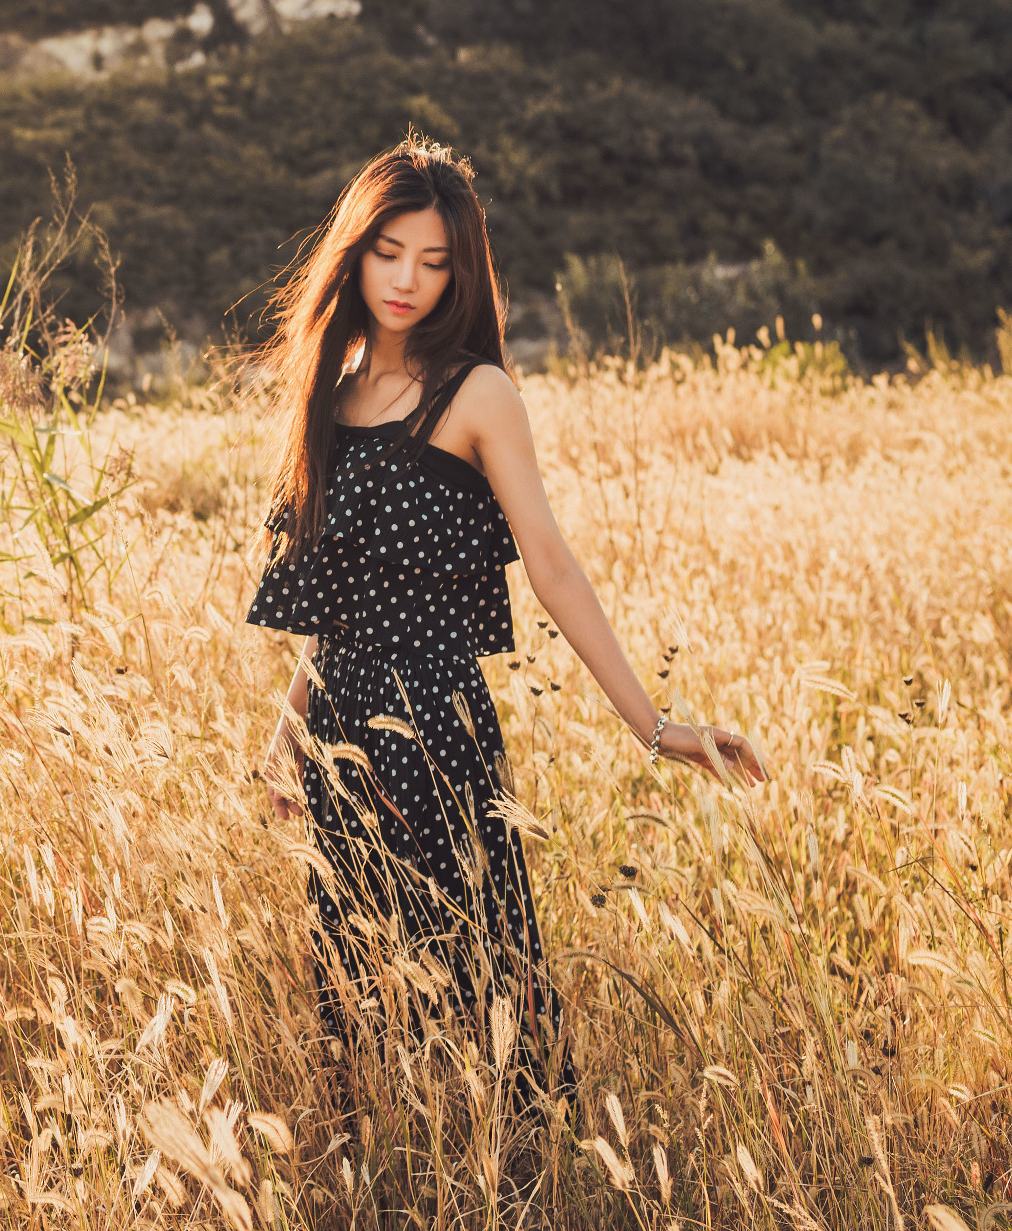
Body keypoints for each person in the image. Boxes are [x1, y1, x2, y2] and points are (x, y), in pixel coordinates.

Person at [247, 138, 767, 1173]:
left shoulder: (475, 393)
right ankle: (386, 1180)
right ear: (354, 254)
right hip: (339, 740)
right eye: (388, 252)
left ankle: (523, 1181)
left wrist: (655, 726)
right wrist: (284, 736)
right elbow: (337, 613)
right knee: (355, 992)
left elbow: (552, 567)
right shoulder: (328, 400)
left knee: (485, 980)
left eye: (434, 261)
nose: (406, 279)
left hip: (436, 732)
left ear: (461, 272)